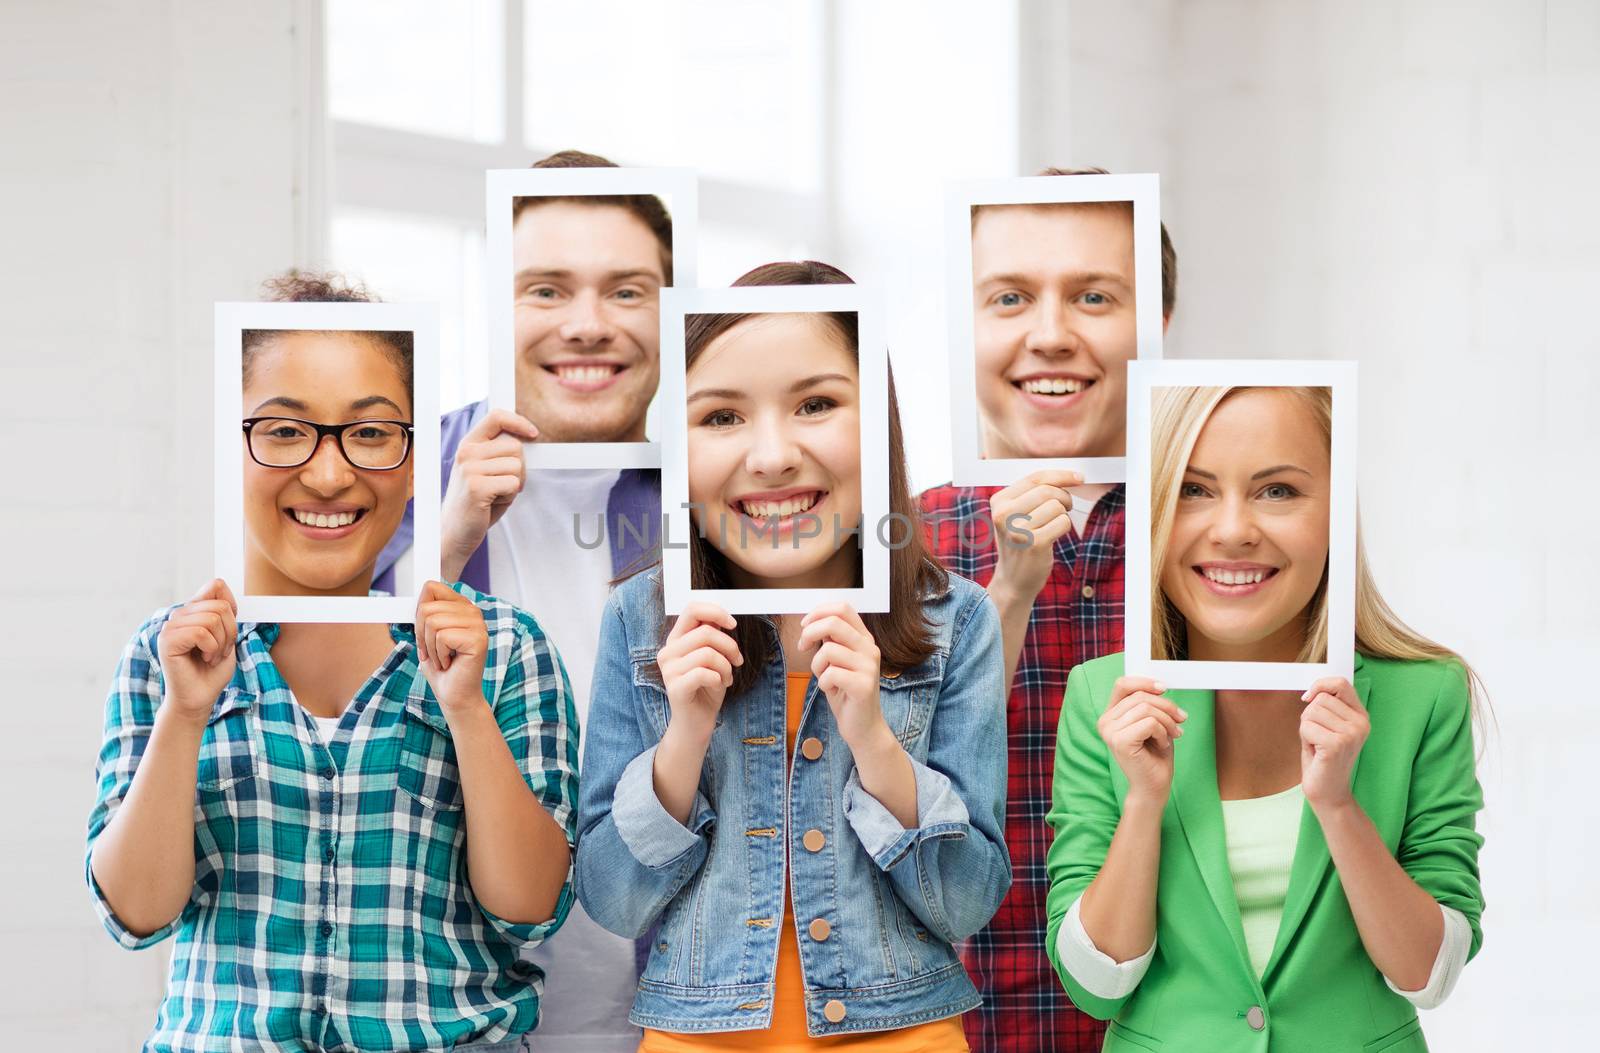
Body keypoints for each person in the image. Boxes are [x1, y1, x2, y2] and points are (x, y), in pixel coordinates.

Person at [85, 272, 579, 1052]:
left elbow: (530, 904)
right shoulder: (165, 653)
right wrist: (184, 715)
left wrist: (467, 710)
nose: (328, 473)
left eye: (373, 432)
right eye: (282, 430)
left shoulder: (506, 647)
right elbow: (137, 914)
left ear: (416, 457)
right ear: (230, 444)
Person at [575, 261, 1010, 1049]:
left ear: (875, 422)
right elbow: (611, 899)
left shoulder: (958, 618)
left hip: (906, 1032)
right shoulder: (639, 621)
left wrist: (875, 741)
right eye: (722, 416)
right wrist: (683, 739)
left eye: (815, 404)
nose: (772, 455)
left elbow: (967, 902)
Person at [1045, 385, 1486, 1052]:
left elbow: (1428, 973)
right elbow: (1095, 985)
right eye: (1193, 489)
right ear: (1157, 509)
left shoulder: (1424, 694)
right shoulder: (1100, 696)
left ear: (1336, 511)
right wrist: (1143, 802)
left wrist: (1339, 806)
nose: (1232, 529)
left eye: (1277, 490)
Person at [374, 149, 667, 1052]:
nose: (587, 325)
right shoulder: (392, 465)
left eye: (626, 291)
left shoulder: (724, 493)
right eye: (545, 290)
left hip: (674, 1010)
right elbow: (312, 716)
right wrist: (446, 542)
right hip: (457, 1011)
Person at [918, 167, 1177, 1052]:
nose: (1052, 334)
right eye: (1010, 297)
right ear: (967, 323)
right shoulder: (891, 548)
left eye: (1096, 295)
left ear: (1160, 324)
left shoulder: (1224, 547)